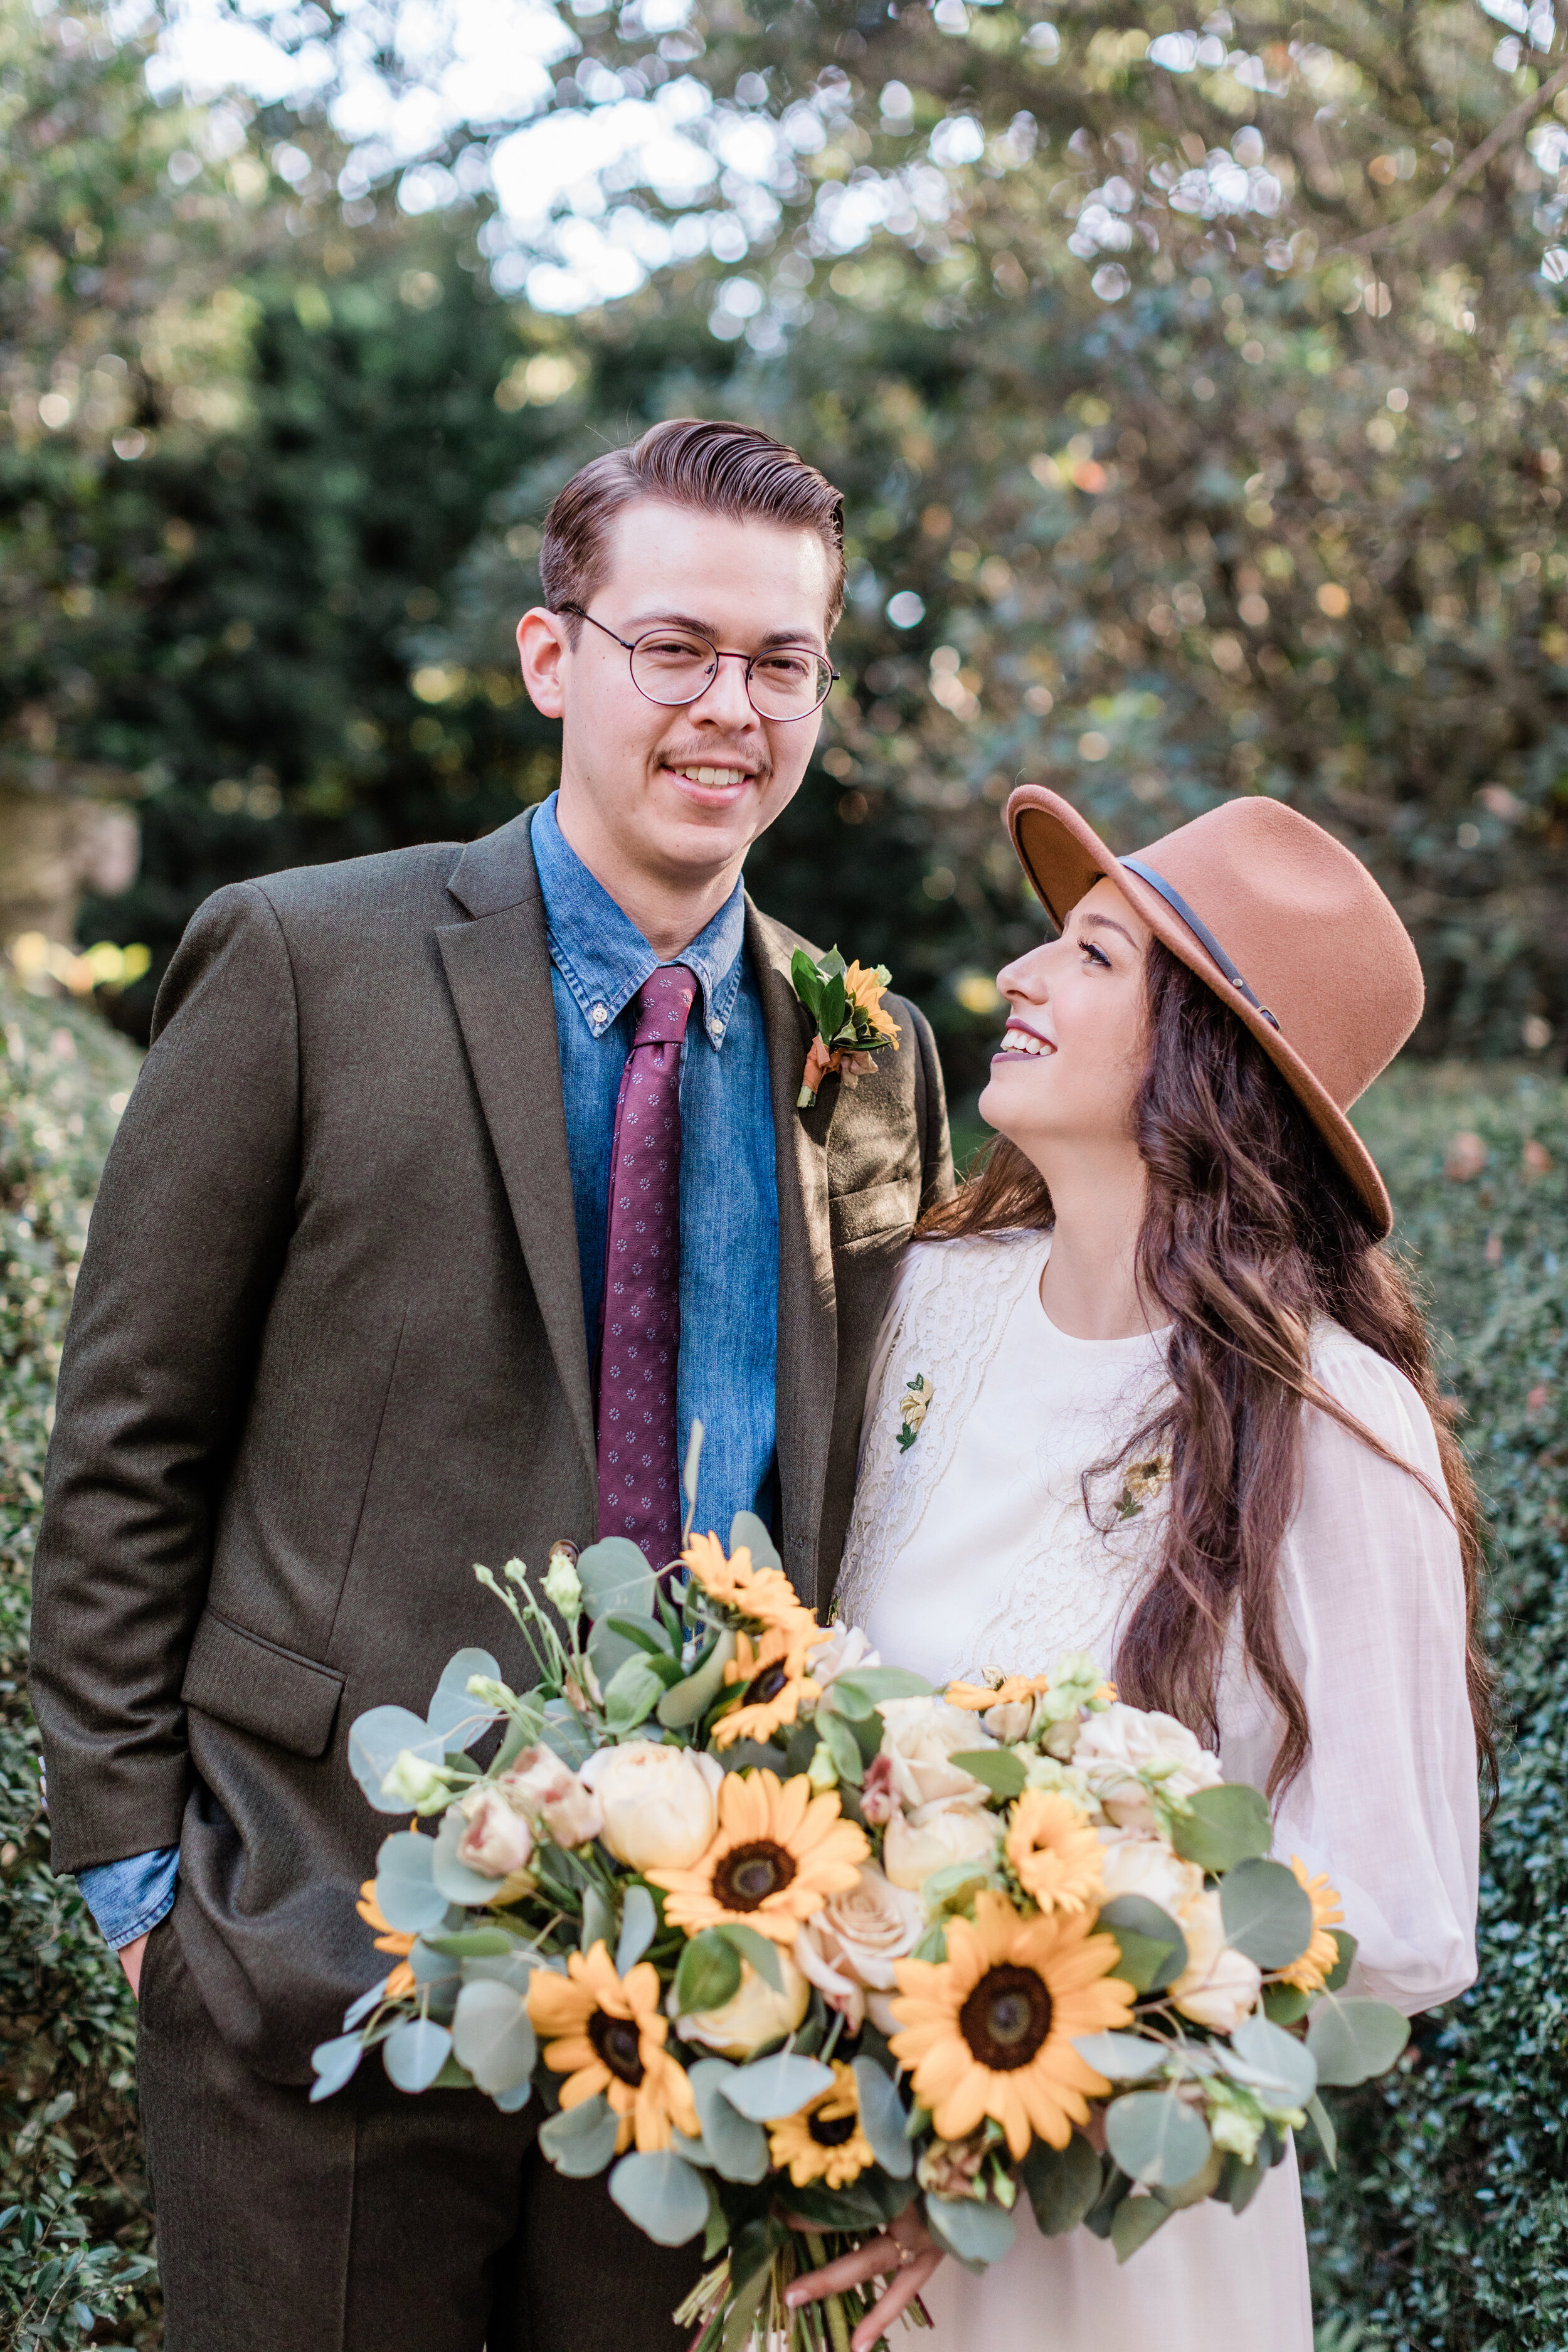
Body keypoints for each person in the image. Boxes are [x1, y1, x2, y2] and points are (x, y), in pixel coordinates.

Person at [27, 418, 952, 2352]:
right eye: (674, 648)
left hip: (717, 1988)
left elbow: (859, 1486)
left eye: (780, 662)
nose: (729, 708)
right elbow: (130, 1436)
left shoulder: (869, 1061)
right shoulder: (304, 961)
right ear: (557, 658)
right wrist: (143, 1884)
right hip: (319, 1933)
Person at [791, 786, 1486, 2351]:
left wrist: (999, 2124)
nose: (1018, 980)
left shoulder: (1329, 1420)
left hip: (1111, 2243)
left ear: (1207, 1064)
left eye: (1091, 956)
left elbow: (1391, 1911)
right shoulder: (923, 1303)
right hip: (822, 2194)